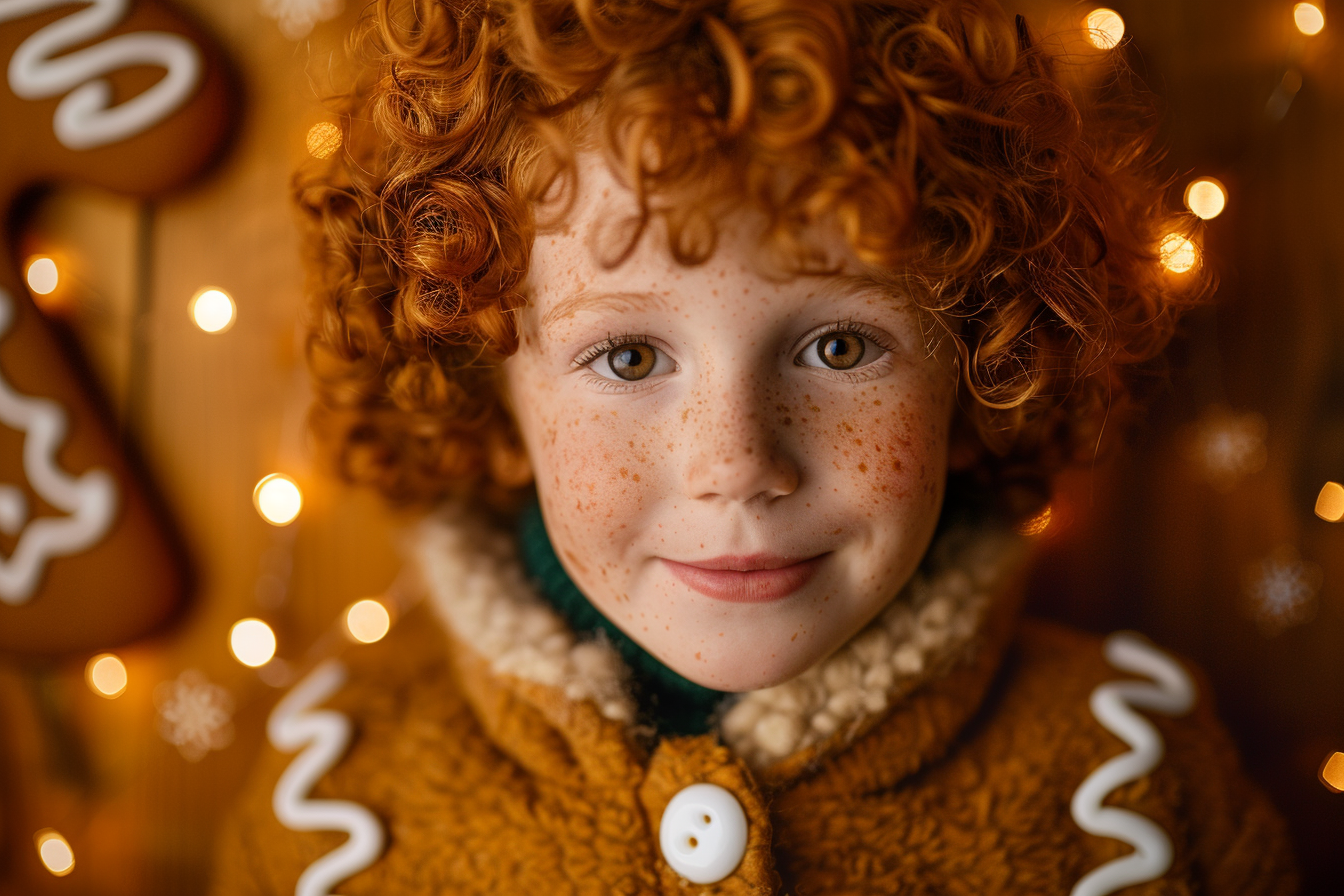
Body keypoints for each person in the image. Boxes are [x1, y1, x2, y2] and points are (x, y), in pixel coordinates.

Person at [212, 1, 1297, 893]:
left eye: (839, 345)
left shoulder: (1136, 787)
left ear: (977, 358)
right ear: (484, 384)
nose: (735, 462)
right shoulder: (331, 796)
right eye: (629, 356)